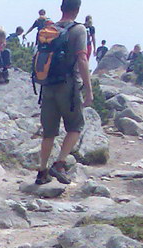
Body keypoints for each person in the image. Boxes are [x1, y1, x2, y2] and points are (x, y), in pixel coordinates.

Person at [34, 0, 93, 186]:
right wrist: (89, 90)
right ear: (77, 10)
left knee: (48, 132)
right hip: (68, 85)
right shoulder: (78, 30)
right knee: (76, 125)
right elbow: (82, 59)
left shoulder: (49, 29)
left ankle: (42, 172)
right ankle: (59, 164)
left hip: (47, 85)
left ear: (61, 9)